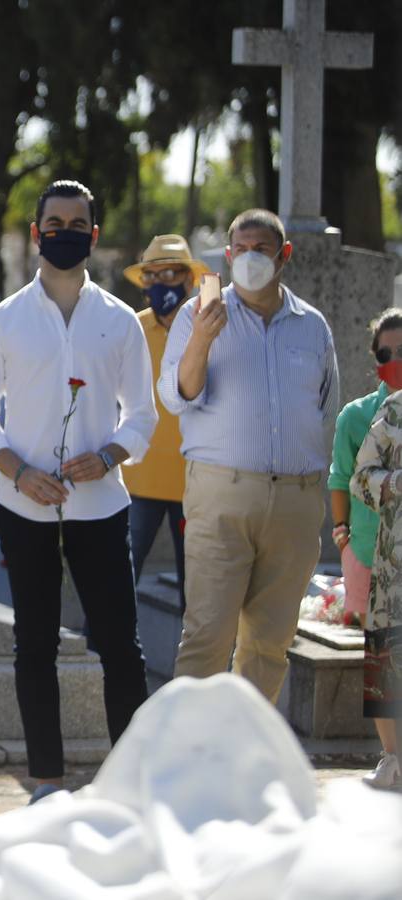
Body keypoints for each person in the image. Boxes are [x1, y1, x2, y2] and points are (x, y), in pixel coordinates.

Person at [0, 180, 155, 802]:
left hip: (102, 506)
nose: (65, 231)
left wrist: (107, 457)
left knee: (121, 646)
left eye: (78, 223)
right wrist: (19, 472)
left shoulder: (119, 321)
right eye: (54, 222)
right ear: (38, 229)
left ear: (93, 236)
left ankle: (129, 780)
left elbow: (143, 418)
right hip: (23, 507)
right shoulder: (3, 321)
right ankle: (46, 780)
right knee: (34, 644)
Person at [159, 208, 338, 703]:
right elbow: (178, 395)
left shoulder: (313, 327)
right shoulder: (198, 316)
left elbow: (327, 408)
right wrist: (202, 338)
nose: (251, 258)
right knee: (207, 636)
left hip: (296, 501)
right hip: (223, 495)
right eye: (242, 249)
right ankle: (188, 758)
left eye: (263, 249)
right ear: (228, 256)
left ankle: (244, 761)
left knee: (270, 644)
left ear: (285, 256)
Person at [119, 235, 210, 608]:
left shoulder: (208, 329)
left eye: (171, 273)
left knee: (199, 595)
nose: (160, 284)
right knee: (118, 582)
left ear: (190, 280)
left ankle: (196, 668)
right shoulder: (130, 328)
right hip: (138, 478)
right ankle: (98, 662)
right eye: (151, 276)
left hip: (196, 483)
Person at [332, 309, 402, 788]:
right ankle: (393, 756)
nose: (395, 360)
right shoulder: (374, 415)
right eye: (386, 353)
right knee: (382, 652)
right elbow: (353, 478)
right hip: (381, 553)